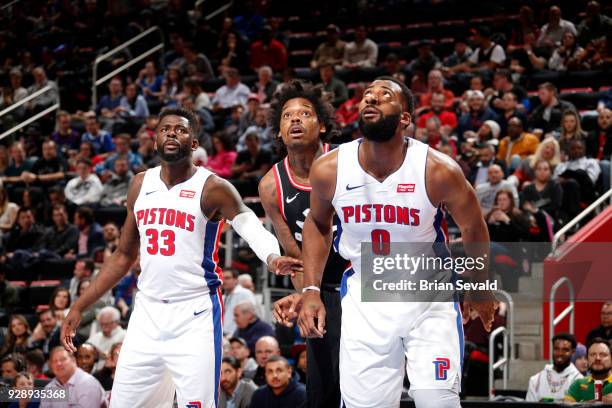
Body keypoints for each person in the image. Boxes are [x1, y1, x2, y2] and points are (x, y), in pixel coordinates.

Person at [61, 108, 301, 407]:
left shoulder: (213, 187)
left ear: (194, 144)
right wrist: (80, 305)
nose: (171, 133)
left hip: (195, 313)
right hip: (147, 312)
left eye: (180, 129)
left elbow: (247, 222)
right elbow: (123, 255)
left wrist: (271, 256)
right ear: (155, 140)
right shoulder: (140, 184)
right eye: (165, 129)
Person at [297, 77, 497, 408]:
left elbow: (474, 227)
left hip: (429, 299)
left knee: (438, 403)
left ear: (404, 117)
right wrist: (311, 290)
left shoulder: (437, 170)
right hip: (366, 301)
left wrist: (480, 285)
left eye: (384, 96)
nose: (370, 100)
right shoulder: (329, 169)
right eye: (366, 96)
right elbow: (318, 224)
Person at [261, 80, 349, 407]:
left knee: (365, 385)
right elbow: (295, 255)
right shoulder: (271, 186)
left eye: (305, 114)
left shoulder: (346, 163)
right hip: (322, 288)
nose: (295, 120)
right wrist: (305, 293)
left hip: (363, 281)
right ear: (279, 132)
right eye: (287, 116)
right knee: (323, 390)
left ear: (322, 125)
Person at [40, 347, 106, 408]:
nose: (58, 363)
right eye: (54, 361)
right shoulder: (49, 388)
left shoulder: (89, 384)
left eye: (63, 359)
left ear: (74, 361)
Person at [527, 333, 583, 401]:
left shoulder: (579, 381)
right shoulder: (536, 380)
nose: (560, 353)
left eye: (565, 350)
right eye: (556, 349)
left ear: (573, 352)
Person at [564, 338, 612, 403]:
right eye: (593, 355)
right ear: (587, 359)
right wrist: (593, 403)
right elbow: (566, 404)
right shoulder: (578, 384)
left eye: (603, 354)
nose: (597, 358)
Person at [222, 269, 256, 335]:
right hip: (224, 335)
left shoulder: (246, 293)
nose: (224, 281)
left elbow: (251, 315)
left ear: (236, 280)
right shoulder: (223, 297)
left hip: (239, 336)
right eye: (222, 278)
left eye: (227, 278)